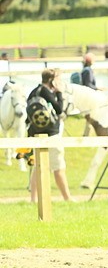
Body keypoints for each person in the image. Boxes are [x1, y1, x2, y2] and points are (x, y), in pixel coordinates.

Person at [27, 69, 72, 203]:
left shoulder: (34, 91)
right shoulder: (47, 92)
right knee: (58, 167)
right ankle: (67, 198)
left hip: (36, 133)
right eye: (58, 79)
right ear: (51, 80)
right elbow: (59, 109)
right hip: (51, 134)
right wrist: (59, 93)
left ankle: (33, 199)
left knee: (38, 167)